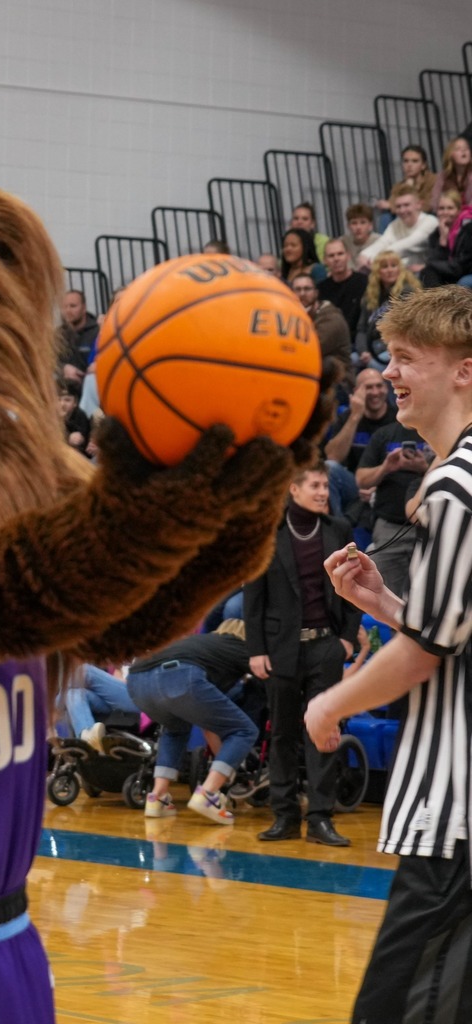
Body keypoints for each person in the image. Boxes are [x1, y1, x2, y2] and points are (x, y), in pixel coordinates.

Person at [306, 286, 472, 1023]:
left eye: (408, 359)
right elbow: (448, 637)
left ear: (463, 371)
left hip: (457, 816)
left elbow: (424, 657)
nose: (392, 373)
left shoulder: (455, 487)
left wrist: (330, 701)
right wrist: (387, 608)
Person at [243, 462, 361, 846]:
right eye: (315, 485)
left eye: (326, 485)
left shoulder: (338, 530)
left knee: (324, 731)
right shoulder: (268, 535)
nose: (323, 492)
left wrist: (346, 639)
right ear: (293, 490)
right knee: (283, 734)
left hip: (326, 645)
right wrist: (256, 650)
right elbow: (253, 598)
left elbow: (354, 588)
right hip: (280, 649)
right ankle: (284, 816)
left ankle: (321, 818)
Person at [126, 619, 260, 825]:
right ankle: (208, 793)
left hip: (137, 682)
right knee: (244, 730)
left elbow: (208, 723)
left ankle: (157, 797)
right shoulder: (240, 646)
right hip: (177, 676)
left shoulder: (201, 644)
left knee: (175, 728)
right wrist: (229, 767)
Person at [355, 420, 430, 599]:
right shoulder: (384, 434)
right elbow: (361, 480)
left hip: (427, 526)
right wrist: (386, 467)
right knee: (382, 596)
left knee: (425, 598)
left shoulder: (436, 432)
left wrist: (424, 468)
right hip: (388, 527)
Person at [323, 367, 396, 518]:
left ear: (386, 388)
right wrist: (355, 416)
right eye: (368, 387)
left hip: (391, 485)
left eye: (379, 386)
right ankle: (337, 530)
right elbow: (333, 456)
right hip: (355, 484)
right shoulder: (348, 417)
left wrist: (378, 489)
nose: (375, 392)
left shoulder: (398, 418)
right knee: (329, 469)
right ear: (357, 391)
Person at [355, 250, 423, 371]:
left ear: (400, 269)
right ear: (377, 271)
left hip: (397, 347)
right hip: (372, 346)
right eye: (385, 266)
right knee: (351, 360)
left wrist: (373, 354)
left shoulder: (408, 292)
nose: (390, 270)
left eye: (393, 265)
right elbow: (361, 329)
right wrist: (364, 351)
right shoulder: (370, 296)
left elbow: (405, 329)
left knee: (374, 365)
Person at [358, 185, 439, 271]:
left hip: (430, 273)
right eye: (398, 206)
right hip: (405, 272)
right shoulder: (395, 225)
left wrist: (375, 259)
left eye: (406, 205)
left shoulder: (430, 222)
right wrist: (364, 255)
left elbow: (407, 245)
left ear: (419, 205)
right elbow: (383, 242)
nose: (402, 210)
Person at [63, 664, 141, 752]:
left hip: (141, 697)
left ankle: (47, 708)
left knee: (85, 671)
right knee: (74, 694)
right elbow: (118, 672)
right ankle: (88, 739)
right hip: (116, 699)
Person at [290, 273, 350, 372]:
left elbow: (309, 350)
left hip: (337, 380)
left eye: (307, 289)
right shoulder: (293, 314)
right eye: (297, 289)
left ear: (316, 293)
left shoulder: (332, 318)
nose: (302, 293)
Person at [317, 237, 367, 340]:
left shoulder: (364, 282)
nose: (336, 259)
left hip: (360, 340)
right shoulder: (320, 289)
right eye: (331, 256)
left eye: (340, 254)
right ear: (325, 260)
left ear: (348, 256)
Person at [421, 190, 472, 288]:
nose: (445, 212)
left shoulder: (468, 228)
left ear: (458, 210)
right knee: (427, 273)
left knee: (430, 270)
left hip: (466, 271)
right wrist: (443, 242)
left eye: (450, 208)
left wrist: (431, 264)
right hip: (452, 271)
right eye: (441, 208)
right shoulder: (436, 233)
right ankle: (436, 302)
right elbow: (434, 260)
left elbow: (462, 266)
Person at [374, 144, 437, 223]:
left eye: (415, 161)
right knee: (386, 217)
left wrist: (392, 206)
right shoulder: (399, 186)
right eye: (406, 161)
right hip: (405, 219)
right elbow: (393, 202)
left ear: (423, 165)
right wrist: (407, 187)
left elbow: (429, 206)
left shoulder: (433, 180)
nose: (409, 165)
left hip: (427, 217)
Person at [57, 289, 97, 383]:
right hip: (65, 390)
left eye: (73, 306)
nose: (68, 310)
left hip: (91, 388)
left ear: (84, 308)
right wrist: (64, 368)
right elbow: (50, 362)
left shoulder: (97, 332)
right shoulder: (58, 335)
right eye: (64, 307)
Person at [428, 135, 472, 210]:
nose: (463, 150)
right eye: (458, 149)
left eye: (466, 148)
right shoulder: (443, 176)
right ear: (450, 154)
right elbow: (434, 202)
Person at [341, 203, 381, 269]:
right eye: (354, 223)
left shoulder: (379, 241)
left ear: (370, 225)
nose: (358, 227)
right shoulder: (342, 243)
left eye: (363, 222)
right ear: (348, 226)